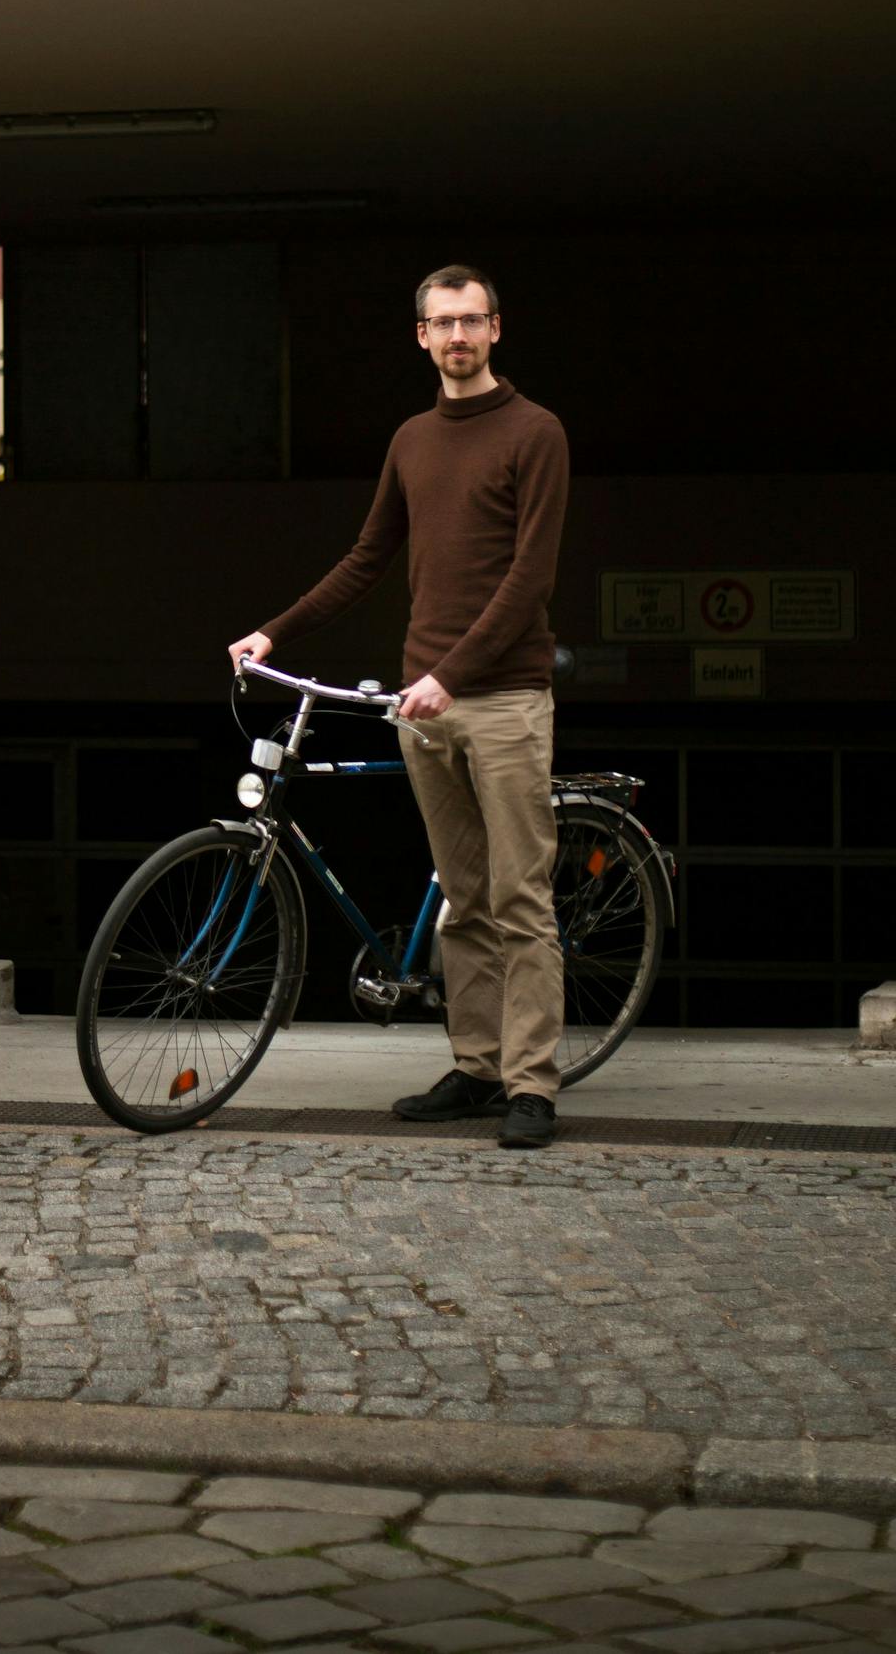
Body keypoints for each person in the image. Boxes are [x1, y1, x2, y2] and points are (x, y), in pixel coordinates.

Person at [229, 267, 570, 1150]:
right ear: (421, 337)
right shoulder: (413, 439)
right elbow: (364, 557)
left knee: (521, 897)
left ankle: (532, 1085)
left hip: (501, 700)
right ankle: (477, 1066)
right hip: (424, 704)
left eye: (471, 319)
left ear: (496, 328)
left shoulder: (536, 432)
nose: (457, 334)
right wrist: (274, 631)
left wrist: (452, 674)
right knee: (463, 898)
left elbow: (530, 576)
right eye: (440, 322)